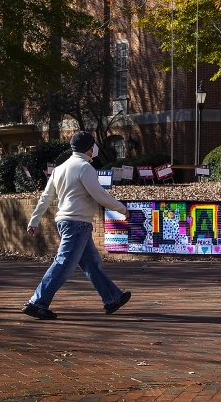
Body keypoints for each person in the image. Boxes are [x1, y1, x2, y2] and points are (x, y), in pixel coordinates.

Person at [22, 131, 131, 320]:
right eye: (94, 145)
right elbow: (100, 195)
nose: (95, 147)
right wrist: (123, 209)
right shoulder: (85, 168)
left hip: (66, 222)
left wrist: (34, 219)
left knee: (91, 263)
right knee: (63, 263)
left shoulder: (60, 168)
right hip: (77, 223)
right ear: (89, 148)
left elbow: (46, 197)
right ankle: (37, 303)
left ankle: (112, 298)